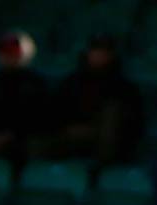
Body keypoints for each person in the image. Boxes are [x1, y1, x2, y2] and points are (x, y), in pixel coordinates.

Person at [38, 35, 144, 166]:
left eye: (103, 52)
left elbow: (133, 121)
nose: (98, 55)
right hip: (69, 135)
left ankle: (101, 172)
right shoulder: (72, 82)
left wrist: (94, 130)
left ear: (111, 55)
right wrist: (69, 128)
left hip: (108, 140)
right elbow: (55, 109)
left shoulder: (123, 88)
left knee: (111, 115)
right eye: (95, 51)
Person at [0, 30, 50, 165]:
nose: (8, 56)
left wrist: (9, 136)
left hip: (23, 140)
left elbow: (38, 119)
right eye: (5, 51)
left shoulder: (36, 84)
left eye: (14, 51)